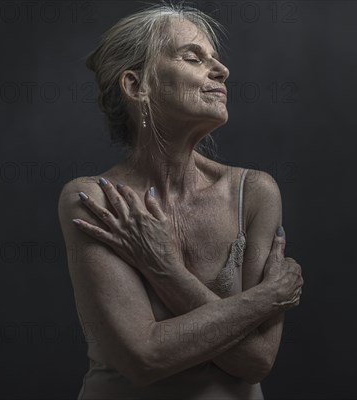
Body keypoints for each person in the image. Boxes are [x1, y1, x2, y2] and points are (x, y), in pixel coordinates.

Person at [57, 3, 304, 399]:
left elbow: (257, 360)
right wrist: (267, 297)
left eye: (216, 59)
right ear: (137, 86)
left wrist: (166, 272)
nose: (222, 71)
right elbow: (145, 358)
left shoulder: (255, 192)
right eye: (193, 57)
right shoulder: (93, 199)